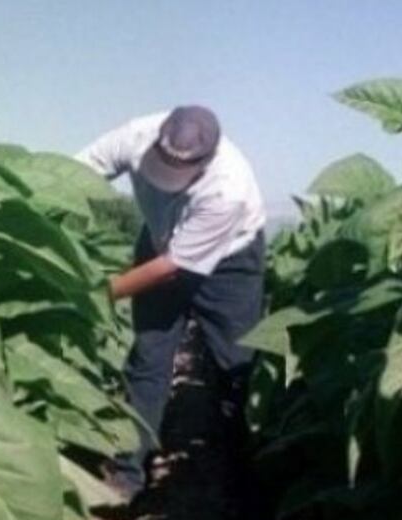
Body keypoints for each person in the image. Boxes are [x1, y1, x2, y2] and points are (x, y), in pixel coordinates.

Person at [76, 106, 267, 499]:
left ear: (206, 160)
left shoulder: (227, 187)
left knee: (237, 364)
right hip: (162, 240)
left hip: (229, 262)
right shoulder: (136, 135)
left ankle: (242, 475)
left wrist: (98, 295)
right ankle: (128, 473)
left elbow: (170, 268)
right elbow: (75, 173)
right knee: (148, 358)